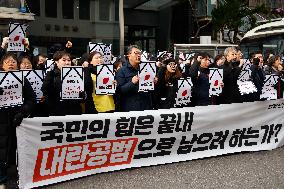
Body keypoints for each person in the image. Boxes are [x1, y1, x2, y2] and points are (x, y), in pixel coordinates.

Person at [0, 52, 36, 188]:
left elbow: (32, 99)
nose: (11, 63)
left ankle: (19, 177)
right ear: (2, 65)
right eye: (7, 61)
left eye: (13, 61)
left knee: (18, 150)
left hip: (18, 121)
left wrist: (22, 112)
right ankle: (2, 179)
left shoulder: (22, 79)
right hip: (1, 121)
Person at [41, 51, 83, 116]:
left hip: (74, 111)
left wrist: (82, 94)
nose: (67, 62)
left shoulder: (77, 74)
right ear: (56, 61)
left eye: (69, 60)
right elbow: (45, 90)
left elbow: (83, 96)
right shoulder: (51, 74)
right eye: (64, 60)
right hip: (57, 111)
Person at [116, 45, 156, 112]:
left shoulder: (146, 69)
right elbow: (120, 90)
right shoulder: (122, 71)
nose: (138, 55)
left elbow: (151, 91)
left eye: (139, 53)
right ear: (129, 55)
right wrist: (132, 83)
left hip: (146, 107)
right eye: (136, 53)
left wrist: (154, 82)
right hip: (130, 109)